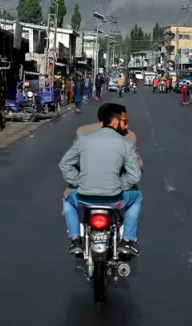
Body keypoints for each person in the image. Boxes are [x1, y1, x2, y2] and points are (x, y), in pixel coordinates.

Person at [59, 102, 143, 257]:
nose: (126, 125)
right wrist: (120, 185)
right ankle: (127, 240)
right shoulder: (125, 143)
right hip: (114, 199)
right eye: (124, 121)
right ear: (115, 121)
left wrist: (78, 181)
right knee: (137, 197)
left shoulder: (84, 138)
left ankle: (75, 239)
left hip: (84, 198)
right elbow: (135, 174)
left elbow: (65, 164)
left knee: (67, 198)